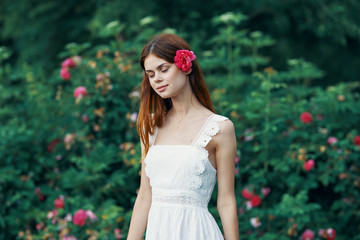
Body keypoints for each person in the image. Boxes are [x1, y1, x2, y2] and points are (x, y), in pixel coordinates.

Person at [127, 33, 239, 240]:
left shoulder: (220, 128)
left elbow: (226, 201)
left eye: (164, 69)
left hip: (197, 231)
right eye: (151, 74)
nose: (157, 79)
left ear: (185, 66)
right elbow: (144, 196)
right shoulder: (150, 126)